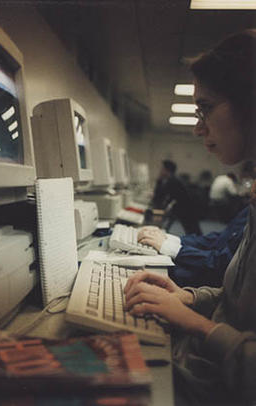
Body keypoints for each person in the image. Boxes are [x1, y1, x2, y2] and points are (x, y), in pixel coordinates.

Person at [124, 29, 256, 405]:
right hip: (202, 366)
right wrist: (188, 298)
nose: (199, 127)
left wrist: (196, 323)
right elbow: (239, 302)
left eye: (207, 108)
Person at [138, 205, 248, 288]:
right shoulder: (251, 209)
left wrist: (172, 248)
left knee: (147, 274)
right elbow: (219, 239)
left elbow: (221, 264)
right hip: (211, 270)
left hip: (214, 281)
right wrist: (169, 239)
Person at [151, 159, 202, 235]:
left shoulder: (172, 181)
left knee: (193, 232)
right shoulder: (173, 179)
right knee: (192, 231)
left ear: (166, 170)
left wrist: (158, 180)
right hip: (185, 208)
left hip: (186, 209)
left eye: (162, 169)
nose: (160, 171)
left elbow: (159, 198)